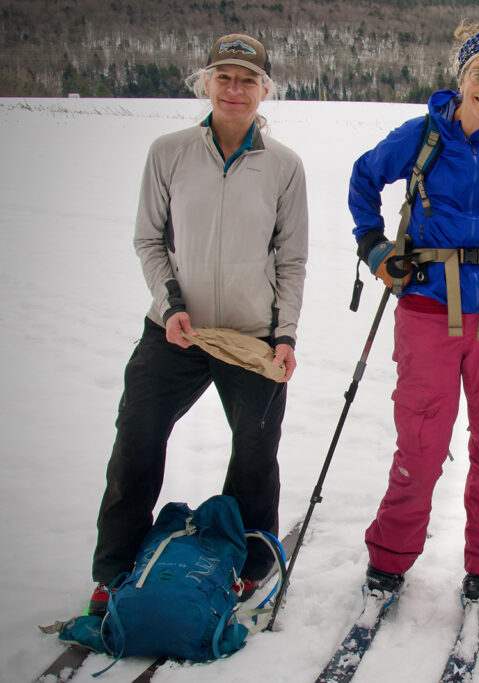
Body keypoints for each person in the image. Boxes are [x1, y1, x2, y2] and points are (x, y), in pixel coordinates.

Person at [88, 33, 308, 615]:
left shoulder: (284, 167)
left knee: (256, 454)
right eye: (224, 77)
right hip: (175, 331)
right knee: (136, 439)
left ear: (265, 90)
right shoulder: (169, 151)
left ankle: (250, 564)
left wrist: (284, 336)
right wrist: (171, 303)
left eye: (248, 80)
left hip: (251, 336)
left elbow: (291, 259)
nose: (235, 90)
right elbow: (149, 240)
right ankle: (114, 569)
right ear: (206, 82)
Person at [348, 21, 479, 603]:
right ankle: (391, 555)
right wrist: (374, 248)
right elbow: (364, 179)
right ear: (460, 77)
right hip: (425, 302)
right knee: (419, 437)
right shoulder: (423, 135)